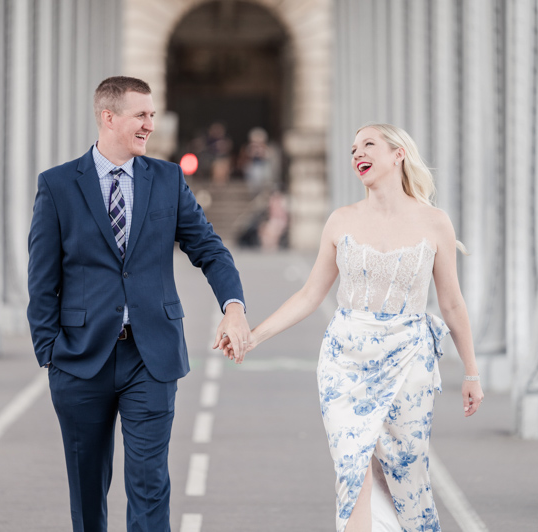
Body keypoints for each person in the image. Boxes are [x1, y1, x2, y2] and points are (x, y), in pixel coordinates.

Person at [219, 123, 483, 531]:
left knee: (406, 476)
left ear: (398, 154)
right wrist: (253, 337)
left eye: (369, 144)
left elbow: (451, 302)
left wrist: (471, 371)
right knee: (352, 464)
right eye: (354, 147)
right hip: (345, 361)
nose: (358, 152)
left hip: (408, 361)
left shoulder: (435, 223)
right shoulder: (341, 220)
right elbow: (310, 295)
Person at [27, 76, 251, 532]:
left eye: (152, 114)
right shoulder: (57, 186)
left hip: (151, 356)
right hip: (79, 358)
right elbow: (41, 279)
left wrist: (233, 306)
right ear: (109, 118)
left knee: (150, 483)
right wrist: (50, 353)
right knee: (88, 488)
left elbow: (209, 250)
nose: (151, 124)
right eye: (141, 115)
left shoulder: (167, 179)